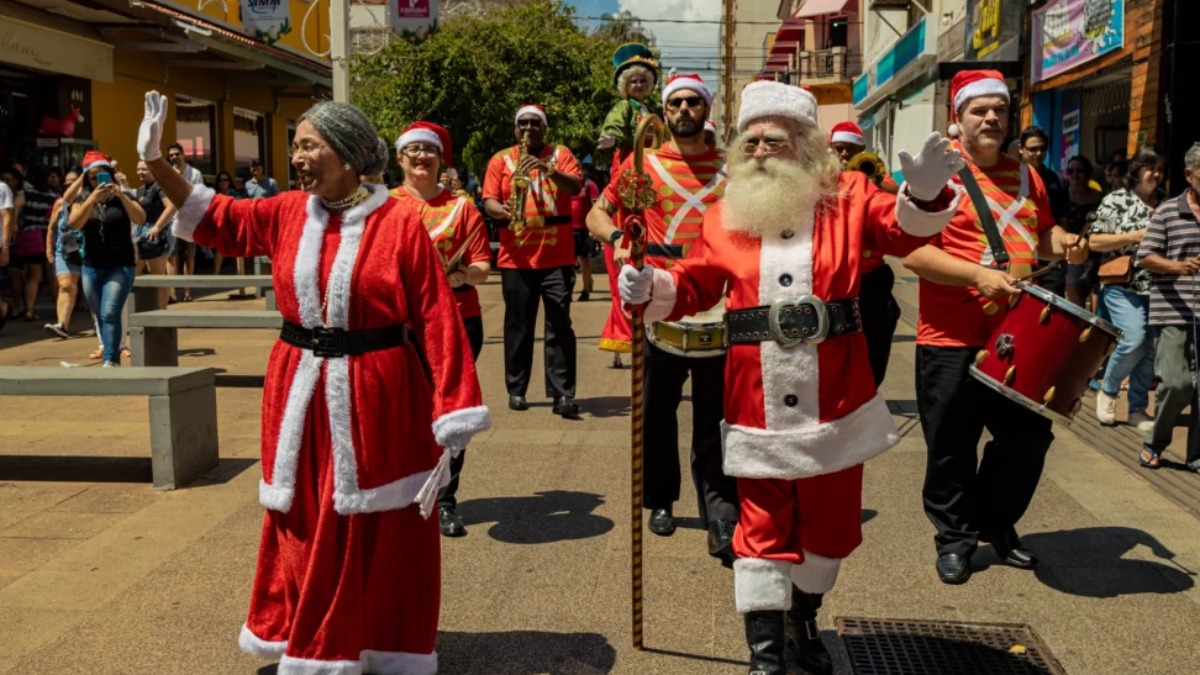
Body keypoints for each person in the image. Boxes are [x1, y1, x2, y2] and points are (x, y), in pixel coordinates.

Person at [620, 80, 963, 675]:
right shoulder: (726, 212)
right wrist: (653, 288)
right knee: (760, 531)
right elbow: (699, 281)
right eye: (748, 141)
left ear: (805, 145)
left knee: (828, 532)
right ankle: (766, 657)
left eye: (772, 140)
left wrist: (924, 193)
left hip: (837, 401)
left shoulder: (850, 194)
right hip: (755, 402)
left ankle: (802, 616)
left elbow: (902, 230)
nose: (757, 151)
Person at [140, 91, 490, 672]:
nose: (297, 158)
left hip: (376, 392)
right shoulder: (284, 213)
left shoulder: (400, 222)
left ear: (350, 154)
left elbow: (436, 315)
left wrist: (454, 409)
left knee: (362, 521)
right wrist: (156, 162)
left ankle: (365, 642)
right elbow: (216, 218)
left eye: (309, 146)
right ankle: (308, 638)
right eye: (295, 147)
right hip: (297, 390)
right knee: (302, 515)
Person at [903, 70, 1089, 585]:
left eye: (999, 110)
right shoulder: (932, 177)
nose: (990, 119)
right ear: (956, 120)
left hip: (1019, 334)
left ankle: (995, 522)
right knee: (950, 445)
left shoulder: (1029, 175)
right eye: (979, 111)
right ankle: (955, 539)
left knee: (1029, 437)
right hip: (950, 337)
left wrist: (1068, 243)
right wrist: (977, 276)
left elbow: (1042, 234)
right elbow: (912, 253)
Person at [588, 73, 739, 564]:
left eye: (693, 101)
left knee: (716, 420)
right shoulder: (643, 165)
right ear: (665, 111)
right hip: (657, 302)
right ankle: (660, 501)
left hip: (718, 302)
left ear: (706, 108)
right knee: (656, 412)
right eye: (675, 102)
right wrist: (617, 241)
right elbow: (597, 213)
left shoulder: (731, 169)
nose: (683, 109)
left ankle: (721, 513)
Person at [391, 121, 492, 538]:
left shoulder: (463, 209)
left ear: (440, 159)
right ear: (399, 158)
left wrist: (466, 274)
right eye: (412, 150)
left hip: (458, 321)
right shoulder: (384, 206)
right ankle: (403, 492)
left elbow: (485, 266)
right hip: (398, 326)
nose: (420, 157)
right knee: (403, 412)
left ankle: (446, 498)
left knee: (451, 412)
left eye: (428, 150)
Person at [482, 104, 585, 417]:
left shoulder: (561, 154)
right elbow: (488, 200)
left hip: (557, 256)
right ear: (515, 129)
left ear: (545, 128)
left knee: (559, 325)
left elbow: (577, 186)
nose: (528, 129)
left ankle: (562, 394)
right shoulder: (501, 159)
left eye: (535, 124)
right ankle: (517, 388)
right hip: (517, 256)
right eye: (522, 124)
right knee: (518, 327)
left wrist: (546, 168)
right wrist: (503, 211)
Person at [1135, 143, 1200, 473]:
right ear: (1190, 175)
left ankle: (1196, 455)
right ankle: (1155, 443)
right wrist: (1177, 266)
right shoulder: (1167, 212)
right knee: (1177, 383)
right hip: (1173, 310)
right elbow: (1145, 256)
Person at [1091, 147, 1164, 431]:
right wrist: (1135, 236)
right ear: (1136, 170)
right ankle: (1108, 391)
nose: (1156, 174)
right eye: (1150, 167)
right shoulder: (1117, 200)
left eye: (1159, 168)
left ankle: (1137, 409)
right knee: (1133, 339)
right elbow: (1095, 242)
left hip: (1159, 287)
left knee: (1150, 350)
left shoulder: (1167, 203)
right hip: (1124, 284)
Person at [68, 151, 146, 367]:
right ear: (86, 179)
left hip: (120, 264)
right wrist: (92, 199)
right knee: (101, 314)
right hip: (91, 265)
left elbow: (140, 218)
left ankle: (110, 359)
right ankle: (111, 353)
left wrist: (121, 194)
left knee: (110, 311)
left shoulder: (123, 195)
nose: (98, 181)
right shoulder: (82, 198)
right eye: (93, 178)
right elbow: (74, 223)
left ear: (111, 175)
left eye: (103, 176)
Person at [1018, 126, 1071, 297]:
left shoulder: (1056, 180)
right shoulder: (1012, 177)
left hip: (1050, 260)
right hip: (1020, 255)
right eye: (1033, 149)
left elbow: (1062, 219)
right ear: (1021, 149)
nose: (1038, 153)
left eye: (1042, 149)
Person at [597, 42, 660, 181]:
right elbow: (615, 124)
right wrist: (611, 138)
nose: (639, 85)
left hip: (653, 163)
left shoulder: (652, 109)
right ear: (625, 84)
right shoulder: (624, 106)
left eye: (642, 81)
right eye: (633, 81)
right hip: (630, 161)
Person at [43, 170, 86, 338]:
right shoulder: (59, 204)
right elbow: (52, 228)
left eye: (75, 182)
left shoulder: (89, 201)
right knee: (66, 285)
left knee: (93, 291)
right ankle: (62, 325)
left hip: (88, 250)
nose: (71, 186)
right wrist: (48, 250)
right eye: (68, 183)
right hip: (65, 250)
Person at [10, 169, 55, 321]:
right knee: (52, 275)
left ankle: (29, 310)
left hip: (30, 237)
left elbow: (16, 206)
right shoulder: (54, 197)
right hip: (48, 237)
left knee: (34, 275)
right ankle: (59, 309)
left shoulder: (26, 194)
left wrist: (15, 225)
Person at [133, 160, 177, 308]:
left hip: (158, 234)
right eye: (138, 169)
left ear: (153, 171)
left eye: (144, 169)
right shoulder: (140, 190)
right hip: (140, 233)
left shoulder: (159, 187)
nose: (140, 172)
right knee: (134, 272)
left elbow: (171, 207)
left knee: (157, 274)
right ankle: (140, 309)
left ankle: (161, 311)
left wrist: (157, 226)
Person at [167, 142, 205, 303]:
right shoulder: (167, 174)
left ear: (183, 155)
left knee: (189, 258)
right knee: (172, 257)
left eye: (177, 154)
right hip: (172, 220)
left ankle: (187, 291)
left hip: (189, 221)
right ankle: (172, 292)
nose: (174, 157)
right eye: (171, 155)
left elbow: (200, 194)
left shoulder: (195, 173)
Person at [1064, 155, 1104, 307]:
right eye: (1070, 171)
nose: (1074, 175)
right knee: (1073, 290)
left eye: (1079, 170)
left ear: (1088, 173)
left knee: (1095, 292)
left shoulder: (1100, 198)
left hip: (1095, 252)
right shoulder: (1064, 195)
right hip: (1072, 251)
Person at [570, 158, 597, 302]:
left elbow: (595, 207)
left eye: (577, 167)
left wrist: (594, 227)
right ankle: (567, 290)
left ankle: (585, 290)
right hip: (567, 229)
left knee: (584, 260)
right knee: (567, 262)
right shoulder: (564, 184)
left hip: (583, 229)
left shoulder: (589, 185)